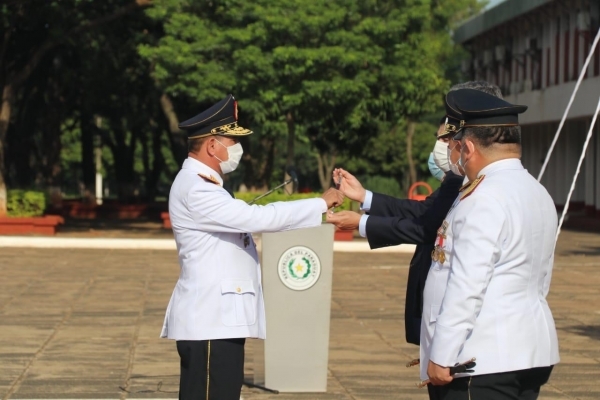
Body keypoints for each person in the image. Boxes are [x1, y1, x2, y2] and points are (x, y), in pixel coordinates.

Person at [161, 94, 344, 400]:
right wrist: (319, 204)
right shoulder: (196, 188)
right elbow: (254, 218)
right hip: (210, 321)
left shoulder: (206, 184)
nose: (237, 150)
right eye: (231, 142)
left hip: (217, 321)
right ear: (212, 145)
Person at [327, 81, 504, 346]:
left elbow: (425, 226)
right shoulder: (459, 178)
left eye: (449, 136)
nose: (444, 145)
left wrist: (362, 223)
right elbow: (424, 211)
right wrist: (365, 197)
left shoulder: (482, 181)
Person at [422, 89, 559, 400]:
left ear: (468, 147)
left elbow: (467, 284)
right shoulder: (536, 191)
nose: (452, 155)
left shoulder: (483, 198)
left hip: (481, 357)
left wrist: (442, 353)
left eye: (454, 146)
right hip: (527, 349)